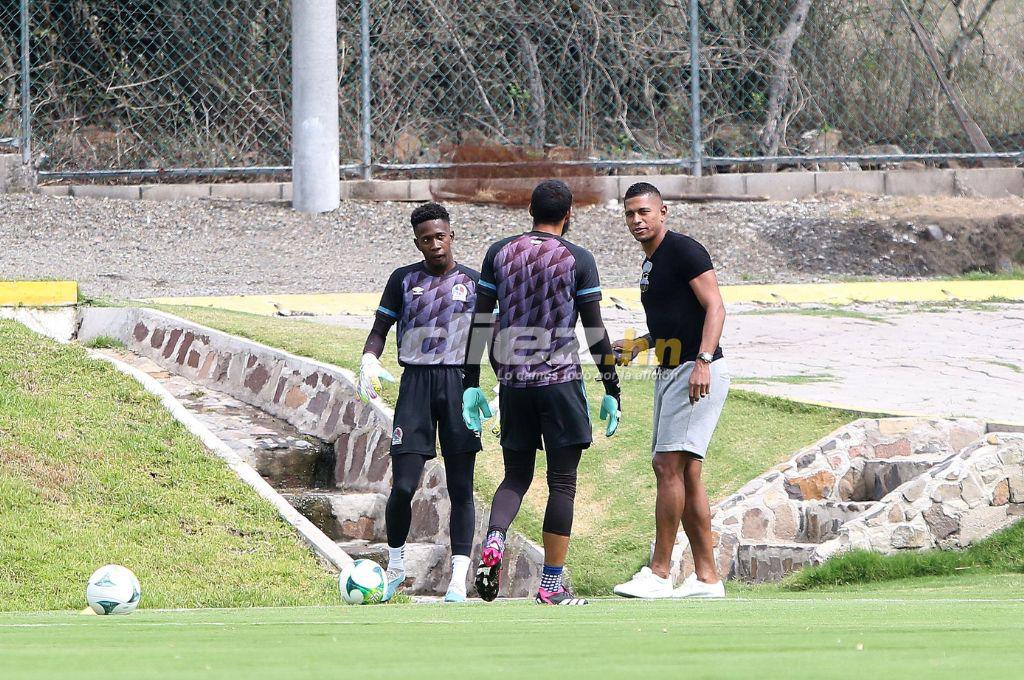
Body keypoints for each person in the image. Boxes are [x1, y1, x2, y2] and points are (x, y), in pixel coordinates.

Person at [461, 179, 621, 606]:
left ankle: (495, 538)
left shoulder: (499, 252)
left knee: (516, 476)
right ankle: (550, 585)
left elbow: (480, 322)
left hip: (514, 385)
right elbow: (595, 330)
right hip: (560, 383)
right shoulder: (578, 258)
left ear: (529, 211)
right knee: (562, 483)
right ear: (569, 215)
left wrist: (470, 383)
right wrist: (612, 388)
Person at [611, 182, 730, 599]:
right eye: (630, 213)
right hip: (671, 368)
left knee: (666, 465)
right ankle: (707, 578)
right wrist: (640, 345)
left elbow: (715, 307)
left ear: (663, 212)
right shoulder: (651, 262)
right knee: (687, 473)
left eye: (644, 211)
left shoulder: (684, 250)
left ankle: (659, 573)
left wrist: (703, 360)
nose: (637, 220)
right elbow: (676, 320)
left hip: (694, 370)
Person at [357, 202, 481, 603]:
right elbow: (380, 328)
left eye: (440, 236)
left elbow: (485, 339)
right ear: (417, 243)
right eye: (426, 239)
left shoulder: (475, 282)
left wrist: (488, 388)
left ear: (452, 236)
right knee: (403, 486)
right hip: (415, 386)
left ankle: (458, 578)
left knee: (461, 487)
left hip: (458, 385)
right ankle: (395, 567)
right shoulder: (403, 279)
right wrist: (368, 359)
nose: (435, 244)